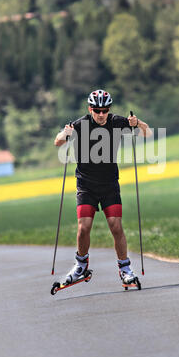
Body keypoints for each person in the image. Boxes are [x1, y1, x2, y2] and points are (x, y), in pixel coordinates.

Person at [54, 89, 152, 286]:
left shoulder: (117, 121)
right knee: (84, 227)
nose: (101, 114)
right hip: (86, 185)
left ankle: (125, 269)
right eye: (97, 110)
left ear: (109, 109)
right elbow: (58, 142)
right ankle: (80, 266)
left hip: (109, 185)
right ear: (90, 109)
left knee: (116, 226)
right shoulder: (80, 124)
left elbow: (148, 134)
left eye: (104, 110)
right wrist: (65, 133)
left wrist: (138, 123)